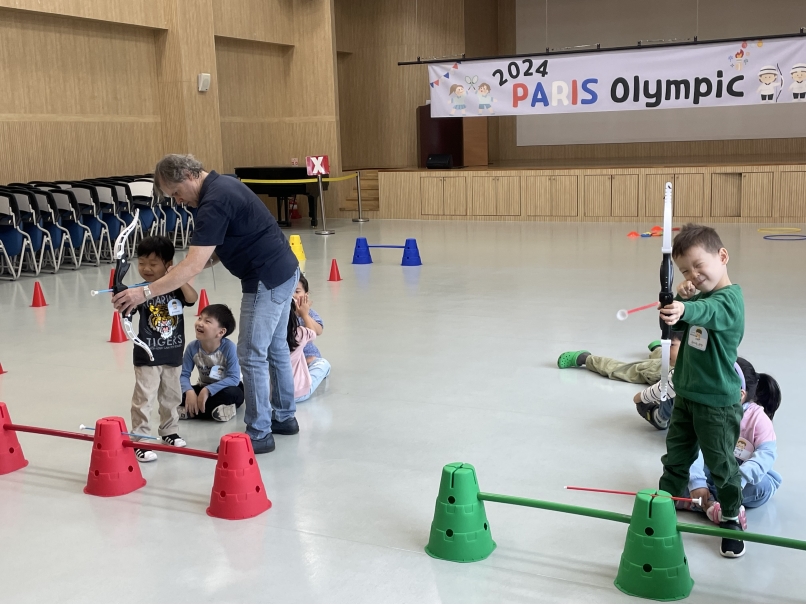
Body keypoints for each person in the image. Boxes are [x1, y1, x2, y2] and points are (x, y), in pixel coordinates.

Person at [113, 154, 299, 455]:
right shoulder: (223, 186)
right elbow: (213, 251)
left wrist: (142, 292)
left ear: (189, 175)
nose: (179, 200)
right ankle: (284, 417)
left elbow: (195, 264)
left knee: (251, 354)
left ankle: (260, 432)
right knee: (275, 348)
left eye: (176, 193)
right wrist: (179, 270)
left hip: (265, 278)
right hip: (284, 271)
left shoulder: (213, 202)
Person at [657, 223, 746, 558]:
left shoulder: (729, 301)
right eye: (684, 270)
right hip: (687, 396)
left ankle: (730, 516)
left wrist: (686, 306)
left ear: (722, 256)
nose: (692, 275)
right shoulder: (695, 296)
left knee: (721, 464)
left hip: (717, 404)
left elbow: (708, 313)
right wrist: (675, 303)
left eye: (699, 265)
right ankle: (662, 506)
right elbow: (679, 323)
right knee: (676, 457)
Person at [678, 357, 782, 526]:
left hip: (743, 480)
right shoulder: (706, 413)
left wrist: (736, 482)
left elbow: (766, 455)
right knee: (676, 476)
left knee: (761, 488)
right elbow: (693, 449)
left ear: (740, 395)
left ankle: (701, 503)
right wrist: (697, 481)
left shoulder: (759, 419)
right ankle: (712, 505)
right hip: (714, 473)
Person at [128, 236, 198, 462]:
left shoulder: (177, 288)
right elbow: (126, 308)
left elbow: (192, 298)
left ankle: (169, 431)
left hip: (173, 352)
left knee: (171, 396)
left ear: (168, 264)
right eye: (141, 263)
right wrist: (123, 297)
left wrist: (177, 277)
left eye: (153, 263)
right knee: (144, 398)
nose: (146, 268)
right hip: (147, 355)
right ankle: (140, 440)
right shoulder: (139, 290)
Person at [179, 303, 244, 422]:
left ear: (220, 332)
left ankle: (192, 412)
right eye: (200, 318)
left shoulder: (229, 348)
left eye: (207, 321)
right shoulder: (192, 347)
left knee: (234, 394)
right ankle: (216, 411)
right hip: (203, 385)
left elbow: (234, 378)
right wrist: (189, 391)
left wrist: (207, 390)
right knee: (175, 393)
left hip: (226, 388)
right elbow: (183, 375)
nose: (200, 323)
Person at [558, 333, 682, 385]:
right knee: (623, 369)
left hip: (678, 363)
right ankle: (585, 358)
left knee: (667, 355)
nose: (669, 348)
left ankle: (658, 349)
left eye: (671, 345)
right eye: (670, 344)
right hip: (664, 369)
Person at [287, 299, 331, 403]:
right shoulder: (300, 333)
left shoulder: (270, 335)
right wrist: (304, 315)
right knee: (324, 364)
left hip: (273, 393)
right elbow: (313, 333)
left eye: (297, 291)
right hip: (298, 393)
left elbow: (319, 329)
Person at [293, 274, 324, 365]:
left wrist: (305, 315)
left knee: (322, 365)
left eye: (297, 291)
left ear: (306, 295)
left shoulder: (309, 313)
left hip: (308, 355)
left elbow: (318, 331)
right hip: (291, 357)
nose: (293, 295)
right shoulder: (282, 314)